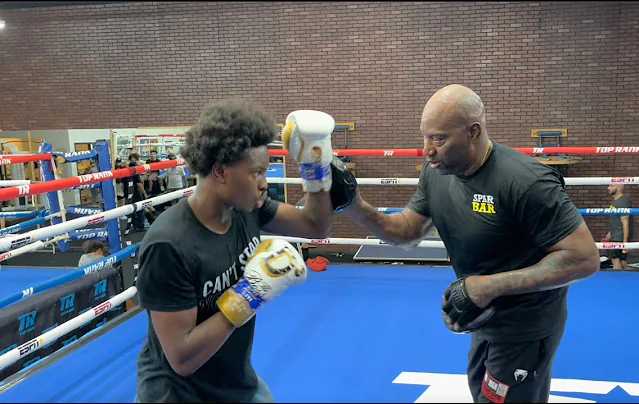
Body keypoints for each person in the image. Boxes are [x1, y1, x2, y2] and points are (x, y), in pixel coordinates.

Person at [343, 84, 600, 403]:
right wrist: (354, 204)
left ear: (473, 132)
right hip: (483, 318)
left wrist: (488, 286)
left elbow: (584, 258)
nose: (427, 150)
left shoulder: (525, 181)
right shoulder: (436, 172)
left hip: (527, 328)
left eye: (438, 138)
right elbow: (407, 231)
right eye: (425, 137)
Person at [134, 99, 355, 403]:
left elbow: (316, 226)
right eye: (256, 173)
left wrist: (313, 168)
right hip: (179, 395)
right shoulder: (169, 245)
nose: (264, 184)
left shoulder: (246, 209)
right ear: (221, 172)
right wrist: (249, 295)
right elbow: (182, 359)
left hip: (235, 382)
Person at [603, 184, 633, 269]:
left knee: (615, 260)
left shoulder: (623, 201)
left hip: (619, 236)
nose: (608, 188)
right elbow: (616, 219)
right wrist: (610, 232)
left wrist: (625, 241)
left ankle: (617, 281)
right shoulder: (616, 202)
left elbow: (625, 222)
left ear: (619, 188)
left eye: (611, 186)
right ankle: (633, 279)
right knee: (622, 261)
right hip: (616, 234)